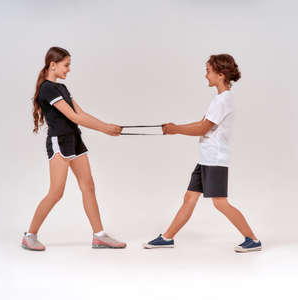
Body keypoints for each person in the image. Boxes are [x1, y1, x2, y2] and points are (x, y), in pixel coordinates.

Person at [143, 54, 261, 252]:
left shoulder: (223, 100)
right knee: (189, 198)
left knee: (220, 203)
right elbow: (201, 125)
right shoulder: (219, 99)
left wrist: (175, 129)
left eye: (208, 71)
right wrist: (175, 128)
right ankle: (167, 238)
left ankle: (252, 239)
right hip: (206, 159)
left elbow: (202, 128)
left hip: (215, 159)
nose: (205, 75)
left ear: (221, 75)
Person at [22, 46, 126, 251]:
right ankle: (30, 235)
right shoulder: (47, 88)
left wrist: (107, 126)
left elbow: (82, 113)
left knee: (88, 186)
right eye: (66, 65)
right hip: (59, 142)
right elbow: (74, 117)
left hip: (74, 140)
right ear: (53, 65)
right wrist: (105, 129)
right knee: (56, 192)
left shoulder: (62, 88)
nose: (68, 69)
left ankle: (99, 235)